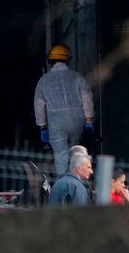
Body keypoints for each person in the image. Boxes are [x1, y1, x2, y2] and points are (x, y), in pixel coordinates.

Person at [34, 44, 95, 176]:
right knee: (75, 153)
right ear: (67, 60)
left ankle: (63, 186)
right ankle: (77, 181)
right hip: (77, 121)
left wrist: (42, 127)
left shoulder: (44, 80)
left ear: (50, 62)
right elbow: (87, 99)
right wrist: (89, 121)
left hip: (56, 124)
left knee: (61, 156)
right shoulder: (77, 77)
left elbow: (39, 105)